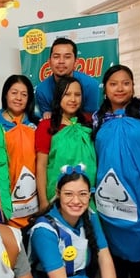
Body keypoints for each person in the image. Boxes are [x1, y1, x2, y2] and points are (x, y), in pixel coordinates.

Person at [92, 64, 140, 278]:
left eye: (126, 83)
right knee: (114, 256)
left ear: (133, 86)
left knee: (138, 257)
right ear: (105, 89)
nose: (120, 88)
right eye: (113, 83)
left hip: (139, 193)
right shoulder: (99, 117)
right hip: (108, 195)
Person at [35, 76, 97, 211]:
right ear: (58, 97)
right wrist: (43, 201)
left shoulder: (89, 122)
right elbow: (41, 165)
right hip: (56, 195)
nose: (73, 99)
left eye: (77, 95)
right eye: (67, 94)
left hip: (87, 195)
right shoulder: (47, 125)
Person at [0, 75, 40, 228]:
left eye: (24, 94)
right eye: (14, 93)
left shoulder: (35, 125)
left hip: (33, 199)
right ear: (5, 94)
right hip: (5, 199)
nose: (18, 98)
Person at [34, 38, 101, 117]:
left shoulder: (91, 85)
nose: (61, 61)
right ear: (49, 62)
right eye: (56, 57)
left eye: (67, 57)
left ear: (76, 62)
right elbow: (47, 120)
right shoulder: (42, 90)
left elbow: (91, 119)